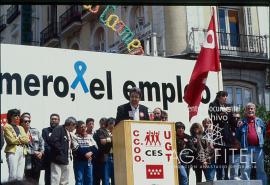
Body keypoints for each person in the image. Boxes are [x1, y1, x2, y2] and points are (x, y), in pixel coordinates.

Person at [237, 103, 267, 185]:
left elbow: (263, 133)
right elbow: (238, 135)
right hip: (246, 148)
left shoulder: (260, 121)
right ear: (246, 111)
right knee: (245, 170)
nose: (250, 110)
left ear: (255, 110)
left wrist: (259, 141)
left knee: (261, 169)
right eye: (248, 109)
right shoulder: (241, 122)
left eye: (252, 109)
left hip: (258, 148)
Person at [208, 91, 232, 180]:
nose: (225, 97)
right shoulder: (213, 105)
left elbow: (231, 119)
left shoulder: (228, 106)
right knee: (219, 157)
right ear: (218, 97)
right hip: (218, 134)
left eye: (226, 96)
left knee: (226, 156)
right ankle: (219, 176)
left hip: (227, 134)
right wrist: (221, 113)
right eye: (223, 96)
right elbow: (212, 116)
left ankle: (226, 175)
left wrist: (237, 123)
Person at [49, 116, 77, 185]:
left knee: (64, 181)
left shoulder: (69, 132)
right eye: (74, 126)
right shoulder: (59, 129)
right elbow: (54, 141)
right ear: (70, 124)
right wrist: (61, 151)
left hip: (66, 159)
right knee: (55, 180)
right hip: (57, 159)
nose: (74, 128)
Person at [4, 109, 30, 181]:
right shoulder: (7, 126)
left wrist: (19, 140)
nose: (18, 117)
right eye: (15, 115)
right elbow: (11, 140)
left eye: (18, 115)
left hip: (22, 151)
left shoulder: (21, 127)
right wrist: (22, 140)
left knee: (20, 176)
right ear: (10, 117)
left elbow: (27, 139)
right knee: (13, 175)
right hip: (13, 151)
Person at [20, 113, 44, 184]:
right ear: (21, 123)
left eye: (29, 121)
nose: (27, 123)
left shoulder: (35, 131)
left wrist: (41, 152)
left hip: (37, 160)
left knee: (36, 180)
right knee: (27, 180)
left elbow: (42, 142)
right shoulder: (19, 133)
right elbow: (21, 147)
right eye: (25, 121)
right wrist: (34, 152)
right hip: (26, 160)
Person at [72, 120, 98, 185]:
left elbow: (96, 147)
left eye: (84, 127)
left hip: (89, 162)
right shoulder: (74, 137)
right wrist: (88, 151)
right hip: (79, 162)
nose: (84, 129)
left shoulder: (89, 136)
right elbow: (77, 149)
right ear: (77, 128)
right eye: (81, 127)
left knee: (89, 179)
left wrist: (90, 153)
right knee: (79, 180)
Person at [94, 117, 115, 185]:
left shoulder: (115, 131)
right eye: (113, 124)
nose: (114, 126)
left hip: (115, 157)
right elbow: (102, 141)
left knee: (114, 177)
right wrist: (111, 138)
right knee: (106, 177)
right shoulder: (101, 131)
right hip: (106, 156)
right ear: (109, 124)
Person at [42, 113, 60, 185]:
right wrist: (53, 152)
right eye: (52, 119)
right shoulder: (45, 130)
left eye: (55, 119)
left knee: (58, 178)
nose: (53, 121)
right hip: (49, 159)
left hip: (59, 159)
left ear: (58, 121)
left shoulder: (62, 130)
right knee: (48, 179)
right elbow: (45, 143)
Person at [93, 117, 107, 185]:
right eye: (102, 124)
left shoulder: (107, 132)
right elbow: (102, 142)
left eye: (104, 124)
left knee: (105, 179)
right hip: (99, 159)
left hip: (104, 159)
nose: (103, 125)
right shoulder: (99, 131)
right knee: (98, 179)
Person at [227, 112, 242, 180]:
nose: (236, 119)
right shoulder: (227, 127)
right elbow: (226, 137)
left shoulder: (242, 126)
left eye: (238, 118)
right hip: (233, 152)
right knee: (234, 175)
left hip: (244, 152)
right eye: (234, 118)